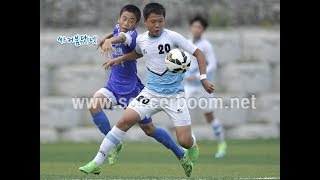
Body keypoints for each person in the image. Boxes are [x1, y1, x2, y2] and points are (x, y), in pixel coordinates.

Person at [79, 3, 215, 177]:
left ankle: (192, 144)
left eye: (160, 21)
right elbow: (137, 53)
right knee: (123, 122)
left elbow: (199, 54)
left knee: (184, 140)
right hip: (150, 94)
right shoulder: (141, 39)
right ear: (145, 21)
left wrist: (203, 78)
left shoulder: (173, 37)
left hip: (175, 96)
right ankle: (97, 163)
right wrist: (117, 58)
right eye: (153, 22)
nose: (157, 25)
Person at [184, 15, 227, 158]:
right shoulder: (187, 42)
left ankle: (221, 143)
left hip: (203, 86)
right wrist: (184, 74)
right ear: (191, 27)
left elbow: (213, 65)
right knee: (183, 115)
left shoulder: (206, 45)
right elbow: (184, 64)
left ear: (203, 30)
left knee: (209, 117)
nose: (196, 29)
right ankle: (191, 145)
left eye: (199, 27)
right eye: (194, 26)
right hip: (188, 86)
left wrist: (197, 76)